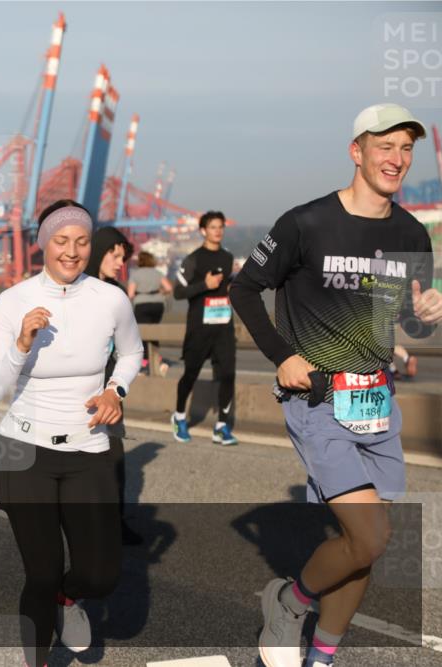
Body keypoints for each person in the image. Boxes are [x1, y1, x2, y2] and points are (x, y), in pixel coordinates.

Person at [230, 104, 440, 667]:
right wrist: (282, 356)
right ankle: (291, 601)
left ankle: (322, 655)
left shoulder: (411, 233)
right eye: (385, 146)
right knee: (371, 537)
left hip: (378, 399)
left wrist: (426, 315)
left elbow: (406, 320)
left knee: (361, 547)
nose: (396, 159)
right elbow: (244, 290)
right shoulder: (305, 223)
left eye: (406, 149)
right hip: (318, 398)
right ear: (357, 151)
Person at [0, 200, 143, 667]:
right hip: (24, 452)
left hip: (88, 449)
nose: (72, 252)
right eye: (61, 241)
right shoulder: (13, 302)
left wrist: (116, 390)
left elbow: (132, 353)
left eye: (82, 241)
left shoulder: (110, 299)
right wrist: (21, 345)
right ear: (42, 244)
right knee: (42, 572)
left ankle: (69, 600)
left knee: (101, 575)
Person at [84, 225, 144, 546]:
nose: (119, 262)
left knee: (114, 462)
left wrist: (117, 386)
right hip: (76, 396)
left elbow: (129, 347)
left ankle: (115, 524)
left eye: (123, 257)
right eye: (114, 254)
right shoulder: (76, 290)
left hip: (110, 393)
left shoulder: (118, 293)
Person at [171, 211, 238, 446]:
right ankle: (179, 416)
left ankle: (221, 427)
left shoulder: (228, 258)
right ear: (203, 231)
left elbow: (229, 287)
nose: (218, 231)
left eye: (221, 227)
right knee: (190, 374)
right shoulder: (193, 259)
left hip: (223, 327)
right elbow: (178, 292)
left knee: (228, 375)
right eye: (212, 227)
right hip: (199, 327)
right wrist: (204, 285)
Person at [128, 251, 173, 376]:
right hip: (158, 305)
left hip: (141, 304)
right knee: (153, 332)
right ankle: (156, 360)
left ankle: (144, 364)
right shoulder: (157, 273)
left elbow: (130, 294)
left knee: (142, 334)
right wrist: (160, 292)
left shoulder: (135, 274)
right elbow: (169, 288)